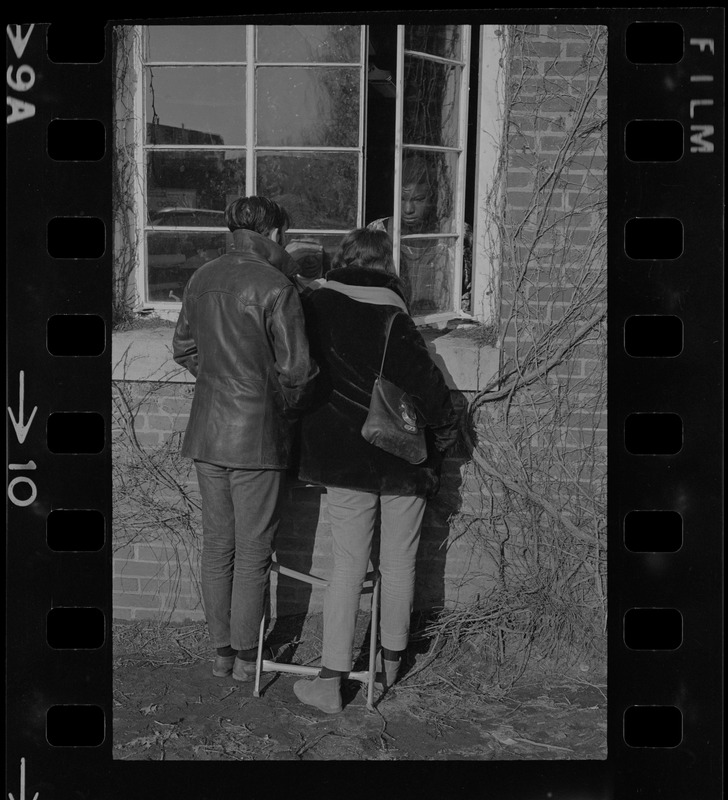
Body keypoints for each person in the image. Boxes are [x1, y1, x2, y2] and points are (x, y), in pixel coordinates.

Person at [292, 227, 461, 713]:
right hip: (401, 460)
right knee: (399, 561)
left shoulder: (316, 307)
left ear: (343, 260)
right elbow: (429, 390)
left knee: (348, 563)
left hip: (344, 463)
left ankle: (331, 680)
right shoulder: (394, 314)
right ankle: (389, 663)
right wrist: (447, 433)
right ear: (387, 266)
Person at [173, 196, 318, 682]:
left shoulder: (201, 278)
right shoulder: (276, 285)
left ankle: (221, 655)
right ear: (274, 232)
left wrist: (218, 378)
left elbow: (184, 349)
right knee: (254, 551)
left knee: (218, 546)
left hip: (208, 434)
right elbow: (298, 372)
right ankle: (244, 658)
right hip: (257, 436)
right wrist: (278, 405)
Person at [368, 154, 473, 314]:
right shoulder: (378, 231)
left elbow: (471, 294)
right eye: (402, 199)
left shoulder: (456, 234)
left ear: (432, 197)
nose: (408, 209)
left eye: (418, 199)